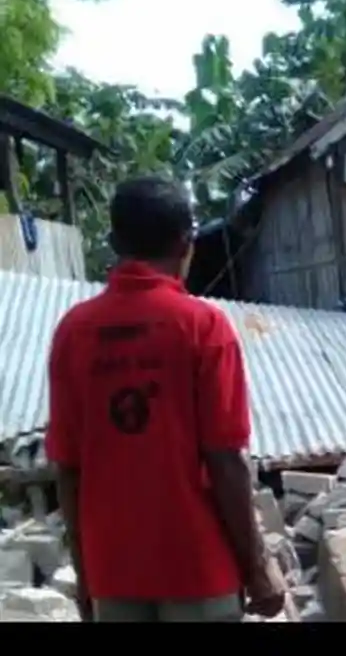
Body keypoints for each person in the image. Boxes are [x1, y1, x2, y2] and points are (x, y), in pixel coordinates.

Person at [45, 176, 285, 622]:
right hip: (199, 573)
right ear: (185, 242)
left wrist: (85, 581)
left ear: (115, 242)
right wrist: (257, 567)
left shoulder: (72, 333)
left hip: (114, 574)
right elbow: (225, 459)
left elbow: (68, 469)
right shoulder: (202, 327)